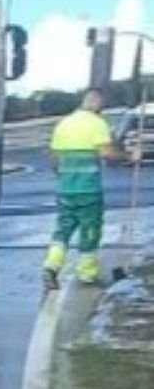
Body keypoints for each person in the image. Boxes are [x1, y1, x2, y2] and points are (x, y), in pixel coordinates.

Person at [43, 88, 133, 288]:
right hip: (88, 190)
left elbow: (54, 161)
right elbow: (107, 154)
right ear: (96, 102)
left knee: (63, 230)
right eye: (102, 104)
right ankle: (87, 274)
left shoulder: (63, 124)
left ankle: (51, 266)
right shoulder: (97, 124)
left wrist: (66, 177)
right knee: (90, 231)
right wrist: (129, 157)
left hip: (65, 189)